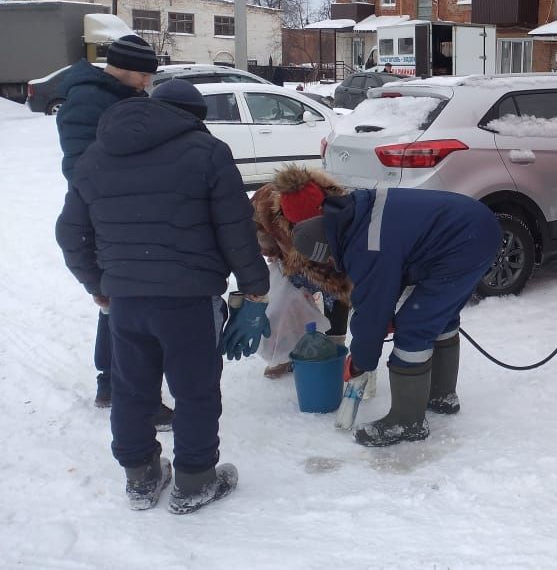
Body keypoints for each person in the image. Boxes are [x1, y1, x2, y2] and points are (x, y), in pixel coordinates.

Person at [55, 79, 270, 513]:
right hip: (189, 299)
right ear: (194, 116)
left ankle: (141, 479)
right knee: (195, 391)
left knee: (132, 390)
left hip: (126, 301)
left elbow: (70, 233)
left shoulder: (96, 156)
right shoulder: (207, 153)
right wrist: (254, 289)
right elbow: (237, 230)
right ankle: (194, 482)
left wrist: (98, 285)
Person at [286, 184, 500, 447]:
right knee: (439, 317)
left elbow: (370, 311)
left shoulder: (366, 245)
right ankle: (442, 396)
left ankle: (407, 423)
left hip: (465, 241)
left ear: (326, 254)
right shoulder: (356, 214)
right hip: (474, 227)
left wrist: (359, 363)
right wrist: (383, 313)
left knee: (414, 327)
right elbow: (395, 260)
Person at [55, 34, 174, 428]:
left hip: (119, 210)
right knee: (126, 301)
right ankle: (131, 393)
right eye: (143, 74)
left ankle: (111, 383)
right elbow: (81, 167)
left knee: (119, 300)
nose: (147, 83)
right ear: (123, 68)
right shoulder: (90, 100)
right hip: (106, 215)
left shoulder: (119, 95)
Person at [251, 166, 353, 378]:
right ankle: (287, 353)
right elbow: (257, 229)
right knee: (282, 308)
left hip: (331, 267)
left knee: (337, 300)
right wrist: (270, 249)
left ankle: (332, 354)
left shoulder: (341, 205)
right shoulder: (265, 201)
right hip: (292, 262)